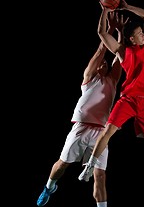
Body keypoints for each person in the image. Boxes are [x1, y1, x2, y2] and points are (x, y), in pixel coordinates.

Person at [36, 11, 124, 207]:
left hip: (101, 132)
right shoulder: (89, 78)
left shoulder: (112, 80)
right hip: (81, 127)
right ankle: (49, 187)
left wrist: (120, 32)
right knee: (63, 164)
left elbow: (119, 53)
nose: (102, 62)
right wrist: (107, 29)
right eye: (100, 62)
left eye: (104, 62)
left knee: (100, 176)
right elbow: (102, 49)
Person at [78, 0, 144, 201]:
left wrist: (126, 7)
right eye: (139, 33)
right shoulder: (123, 52)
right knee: (108, 131)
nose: (143, 33)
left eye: (143, 32)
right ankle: (89, 166)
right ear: (132, 39)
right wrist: (105, 11)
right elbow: (101, 33)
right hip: (129, 99)